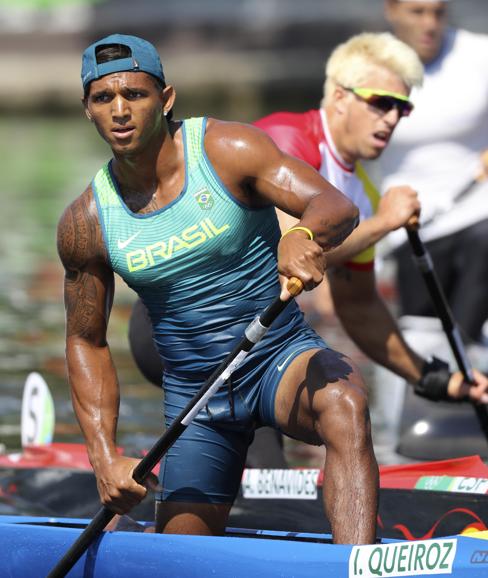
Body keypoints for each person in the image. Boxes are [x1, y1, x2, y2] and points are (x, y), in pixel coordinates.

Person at [58, 33, 387, 545]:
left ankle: (356, 564)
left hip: (278, 361)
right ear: (88, 110)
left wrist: (300, 234)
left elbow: (335, 206)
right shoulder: (87, 222)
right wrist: (103, 456)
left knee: (343, 401)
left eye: (136, 96)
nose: (120, 111)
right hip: (195, 401)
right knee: (182, 553)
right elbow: (86, 341)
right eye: (104, 99)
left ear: (166, 99)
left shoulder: (227, 150)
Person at [127, 31, 488, 468]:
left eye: (402, 107)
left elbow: (360, 309)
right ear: (339, 97)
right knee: (256, 478)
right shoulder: (286, 140)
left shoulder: (363, 191)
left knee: (315, 431)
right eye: (381, 102)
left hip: (246, 344)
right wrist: (384, 224)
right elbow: (286, 255)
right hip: (179, 326)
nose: (392, 119)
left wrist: (434, 379)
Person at [378, 0, 488, 344]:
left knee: (465, 343)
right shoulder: (365, 65)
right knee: (425, 349)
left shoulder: (478, 53)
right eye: (417, 11)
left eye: (438, 12)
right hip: (410, 226)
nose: (430, 23)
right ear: (391, 10)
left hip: (478, 214)